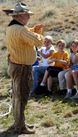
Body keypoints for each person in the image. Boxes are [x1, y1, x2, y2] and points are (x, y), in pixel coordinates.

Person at [3, 2, 44, 134]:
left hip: (16, 65)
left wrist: (32, 31)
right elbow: (38, 41)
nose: (28, 17)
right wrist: (39, 34)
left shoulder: (12, 28)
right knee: (21, 96)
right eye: (27, 15)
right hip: (22, 68)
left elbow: (23, 35)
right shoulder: (21, 30)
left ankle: (19, 123)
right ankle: (20, 126)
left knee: (17, 96)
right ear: (20, 16)